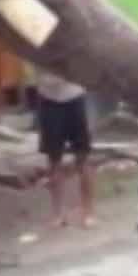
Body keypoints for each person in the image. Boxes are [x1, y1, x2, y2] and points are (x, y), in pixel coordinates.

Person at [34, 68, 96, 229]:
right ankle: (57, 213)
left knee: (83, 157)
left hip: (75, 95)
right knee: (54, 160)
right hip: (48, 98)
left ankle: (88, 212)